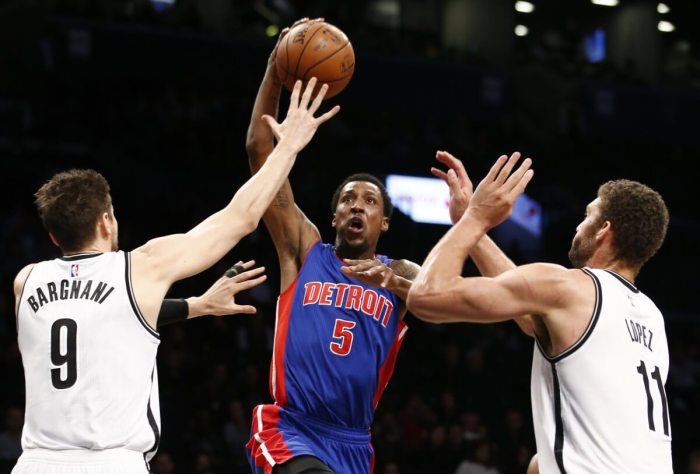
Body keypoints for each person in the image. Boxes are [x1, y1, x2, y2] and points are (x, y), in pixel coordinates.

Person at [12, 78, 339, 473]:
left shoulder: (25, 281)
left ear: (52, 235)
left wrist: (195, 306)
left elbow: (97, 314)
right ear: (106, 220)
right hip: (111, 462)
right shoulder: (140, 267)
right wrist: (289, 145)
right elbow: (241, 218)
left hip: (34, 463)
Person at [407, 152, 673, 473]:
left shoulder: (568, 287)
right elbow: (531, 311)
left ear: (604, 229)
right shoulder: (651, 317)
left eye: (587, 216)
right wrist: (470, 228)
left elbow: (427, 296)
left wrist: (475, 218)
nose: (578, 224)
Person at [245, 19, 420, 474]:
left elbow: (441, 291)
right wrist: (274, 69)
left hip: (353, 443)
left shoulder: (397, 273)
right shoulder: (305, 251)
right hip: (290, 427)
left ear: (384, 221)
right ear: (334, 216)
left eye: (369, 201)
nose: (357, 207)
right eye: (348, 200)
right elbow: (259, 153)